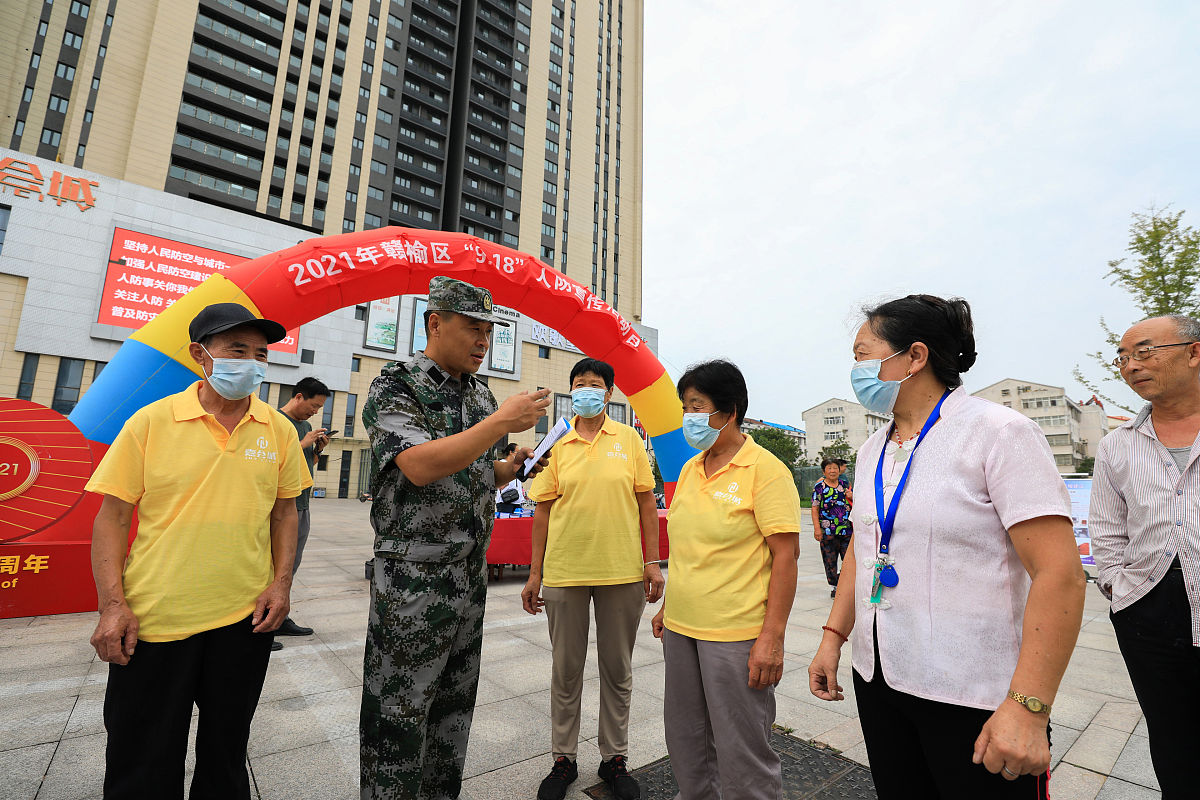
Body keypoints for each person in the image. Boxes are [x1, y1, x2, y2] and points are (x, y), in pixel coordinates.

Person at [808, 295, 1086, 800]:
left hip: (972, 694)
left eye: (863, 354)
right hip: (880, 680)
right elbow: (864, 549)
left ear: (914, 357)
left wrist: (1029, 706)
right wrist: (833, 637)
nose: (856, 370)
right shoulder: (873, 448)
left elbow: (1060, 574)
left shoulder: (999, 433)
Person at [85, 303, 310, 799]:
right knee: (141, 758)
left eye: (259, 353)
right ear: (199, 354)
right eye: (237, 350)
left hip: (243, 621)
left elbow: (284, 512)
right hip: (156, 620)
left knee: (226, 754)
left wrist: (281, 583)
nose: (250, 363)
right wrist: (112, 605)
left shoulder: (276, 430)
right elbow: (113, 517)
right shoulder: (151, 421)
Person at [360, 276, 551, 800]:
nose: (483, 340)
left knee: (452, 709)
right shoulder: (396, 386)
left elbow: (471, 471)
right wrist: (500, 424)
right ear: (435, 322)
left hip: (468, 574)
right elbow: (419, 466)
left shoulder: (479, 394)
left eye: (489, 330)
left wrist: (508, 469)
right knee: (399, 712)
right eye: (472, 327)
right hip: (414, 578)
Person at [650, 359, 801, 800]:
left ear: (729, 411)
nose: (688, 418)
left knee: (742, 747)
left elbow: (786, 557)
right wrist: (668, 605)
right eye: (685, 407)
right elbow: (691, 548)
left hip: (734, 635)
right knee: (686, 738)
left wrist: (771, 637)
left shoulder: (765, 470)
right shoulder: (693, 469)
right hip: (681, 630)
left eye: (697, 406)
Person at [521, 357, 664, 800]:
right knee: (566, 670)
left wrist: (653, 562)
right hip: (565, 571)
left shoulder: (630, 440)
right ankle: (563, 759)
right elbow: (541, 511)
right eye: (579, 384)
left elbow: (646, 505)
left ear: (609, 393)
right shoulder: (555, 442)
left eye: (595, 384)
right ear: (572, 392)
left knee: (617, 669)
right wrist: (534, 574)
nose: (586, 390)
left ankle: (613, 758)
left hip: (621, 571)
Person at [1090, 314, 1200, 799]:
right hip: (1147, 613)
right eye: (1124, 358)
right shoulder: (1117, 444)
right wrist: (1118, 588)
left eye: (1146, 351)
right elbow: (1107, 528)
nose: (1132, 366)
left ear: (1194, 352)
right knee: (1172, 734)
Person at [276, 376, 331, 642]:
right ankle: (261, 622)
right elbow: (273, 462)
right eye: (313, 405)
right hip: (281, 506)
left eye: (319, 408)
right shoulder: (276, 422)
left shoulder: (306, 425)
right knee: (271, 565)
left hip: (302, 503)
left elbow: (307, 464)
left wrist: (317, 450)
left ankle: (279, 617)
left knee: (291, 565)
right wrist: (304, 443)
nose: (315, 412)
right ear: (298, 397)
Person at [811, 458, 853, 597]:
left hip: (846, 529)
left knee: (849, 558)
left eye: (835, 467)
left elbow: (853, 503)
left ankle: (847, 584)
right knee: (830, 559)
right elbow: (814, 508)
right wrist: (817, 528)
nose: (833, 470)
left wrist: (852, 497)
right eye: (829, 468)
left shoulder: (844, 484)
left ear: (839, 469)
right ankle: (835, 585)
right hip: (827, 530)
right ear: (824, 471)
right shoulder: (819, 487)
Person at [495, 442, 527, 513]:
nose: (519, 455)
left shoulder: (517, 466)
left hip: (517, 501)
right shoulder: (502, 463)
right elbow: (499, 484)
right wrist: (507, 482)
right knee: (505, 523)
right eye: (517, 452)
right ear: (511, 452)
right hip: (505, 501)